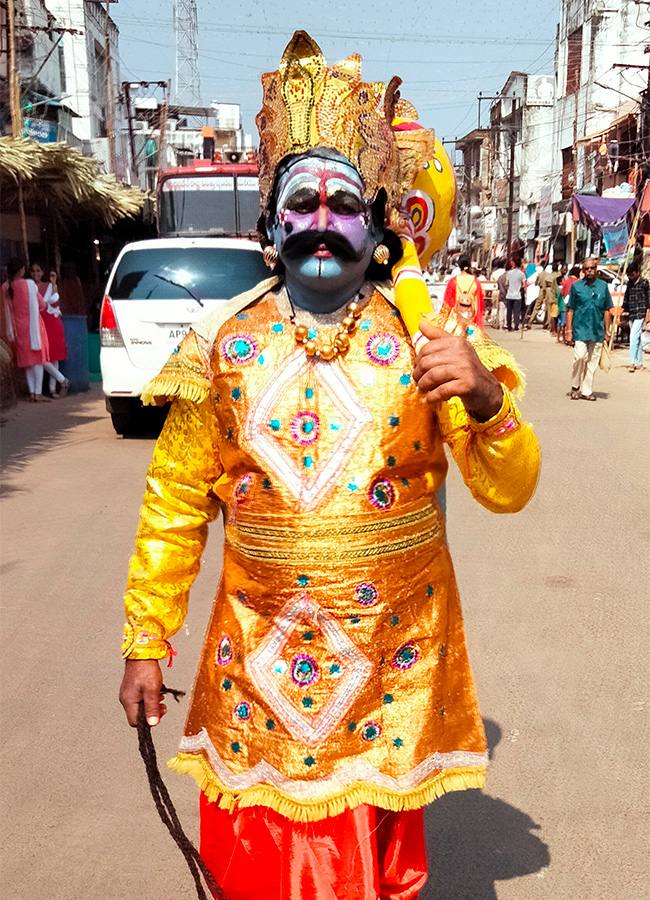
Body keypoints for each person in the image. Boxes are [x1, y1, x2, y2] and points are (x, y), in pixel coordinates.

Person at [118, 32, 540, 900]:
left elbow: (510, 490)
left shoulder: (429, 340)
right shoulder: (221, 346)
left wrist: (489, 402)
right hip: (255, 675)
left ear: (377, 223)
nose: (318, 219)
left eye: (341, 201)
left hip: (391, 670)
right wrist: (145, 642)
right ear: (270, 225)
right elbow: (172, 507)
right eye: (299, 201)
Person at [3, 257, 69, 401]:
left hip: (18, 329)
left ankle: (33, 392)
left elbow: (8, 310)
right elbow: (42, 305)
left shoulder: (6, 287)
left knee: (27, 362)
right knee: (38, 359)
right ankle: (38, 393)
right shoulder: (30, 284)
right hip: (35, 327)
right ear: (21, 270)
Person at [566, 258, 613, 401]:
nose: (590, 271)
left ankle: (586, 391)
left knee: (592, 362)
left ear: (596, 269)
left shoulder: (603, 286)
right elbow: (570, 309)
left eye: (592, 268)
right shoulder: (576, 287)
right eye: (587, 269)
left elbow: (606, 310)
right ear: (583, 270)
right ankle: (575, 386)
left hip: (597, 330)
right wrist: (568, 331)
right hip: (580, 328)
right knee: (580, 356)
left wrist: (607, 330)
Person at [30, 263, 68, 397]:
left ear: (42, 272)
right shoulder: (29, 287)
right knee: (41, 357)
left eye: (38, 271)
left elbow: (55, 303)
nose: (36, 274)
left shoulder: (50, 286)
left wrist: (54, 283)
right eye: (33, 271)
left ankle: (53, 389)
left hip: (52, 322)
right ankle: (62, 380)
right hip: (38, 324)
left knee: (54, 356)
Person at [622, 261, 650, 372]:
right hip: (631, 313)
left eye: (632, 274)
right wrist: (623, 310)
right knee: (637, 337)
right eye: (629, 275)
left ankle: (632, 362)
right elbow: (626, 298)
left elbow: (649, 300)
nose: (631, 277)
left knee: (633, 336)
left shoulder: (644, 283)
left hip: (641, 313)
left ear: (637, 273)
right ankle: (639, 362)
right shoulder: (629, 284)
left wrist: (648, 314)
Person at [442, 254, 484, 325]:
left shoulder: (453, 281)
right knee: (470, 335)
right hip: (471, 317)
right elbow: (479, 303)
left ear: (459, 265)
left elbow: (447, 302)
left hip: (456, 317)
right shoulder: (476, 281)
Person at [504, 260, 525, 331]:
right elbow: (524, 285)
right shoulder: (522, 274)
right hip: (517, 295)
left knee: (509, 311)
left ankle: (509, 326)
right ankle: (516, 327)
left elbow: (506, 283)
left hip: (509, 294)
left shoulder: (509, 273)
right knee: (516, 312)